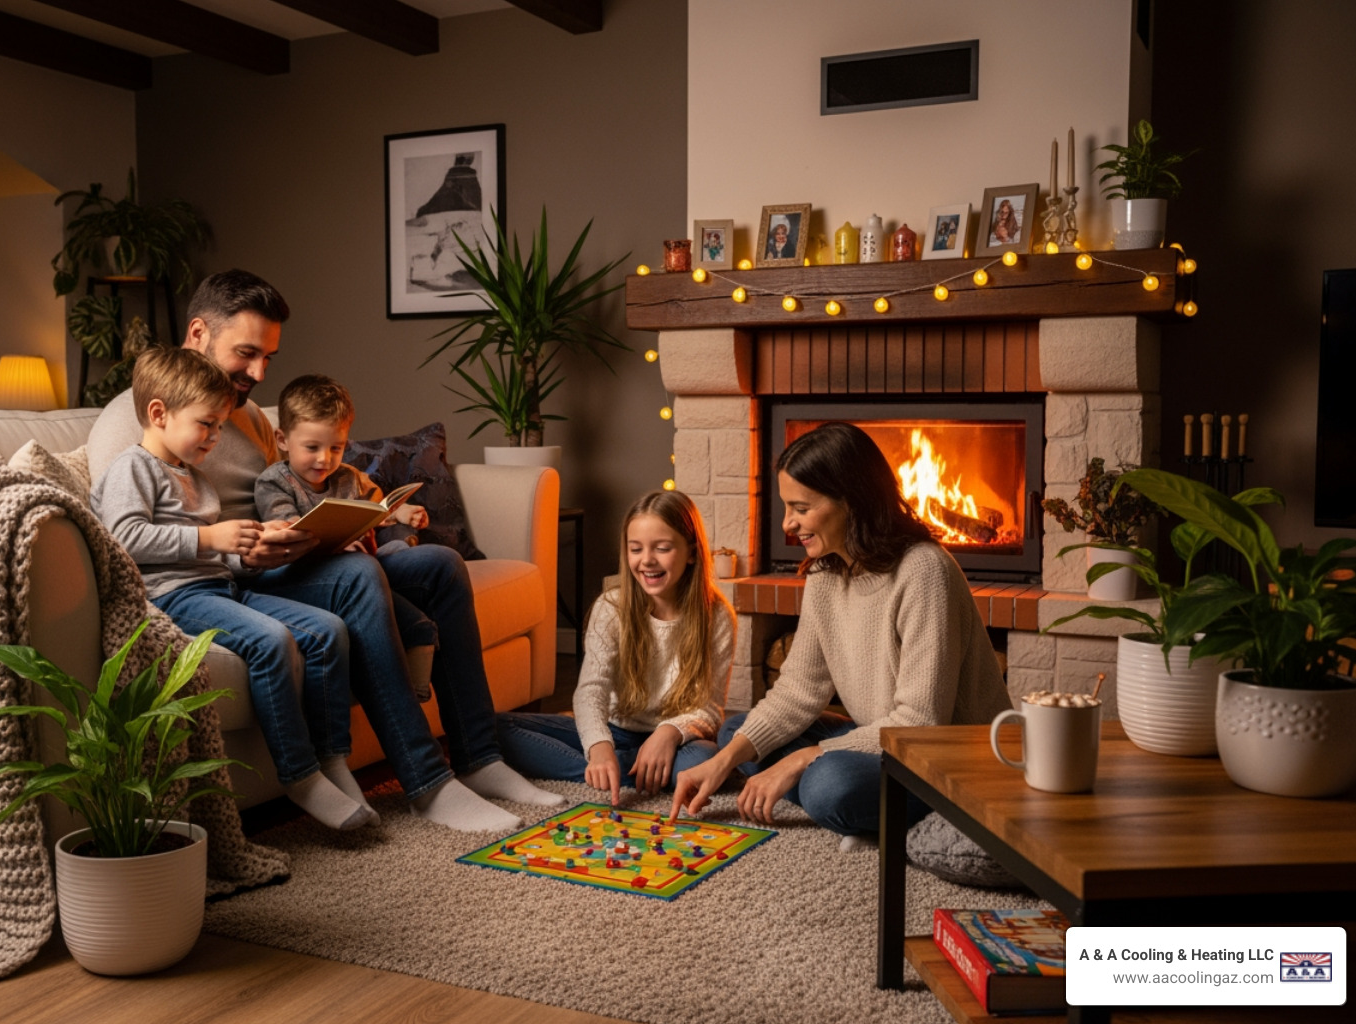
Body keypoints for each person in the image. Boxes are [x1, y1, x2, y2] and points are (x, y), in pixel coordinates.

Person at [90, 269, 561, 832]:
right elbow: (124, 540)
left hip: (288, 556)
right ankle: (428, 782)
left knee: (440, 565)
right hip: (245, 574)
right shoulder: (130, 421)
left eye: (268, 357)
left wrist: (338, 525)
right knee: (359, 576)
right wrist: (246, 552)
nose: (259, 373)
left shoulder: (247, 413)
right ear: (198, 333)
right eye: (247, 353)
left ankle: (480, 756)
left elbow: (289, 481)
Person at [669, 422, 1009, 850]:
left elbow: (920, 724)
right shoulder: (827, 572)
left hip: (946, 760)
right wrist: (723, 762)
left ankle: (883, 813)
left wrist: (806, 758)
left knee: (828, 785)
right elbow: (797, 691)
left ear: (852, 501)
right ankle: (855, 807)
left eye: (801, 508)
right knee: (739, 733)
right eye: (786, 507)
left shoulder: (924, 571)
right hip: (883, 739)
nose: (789, 524)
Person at [90, 347, 374, 831]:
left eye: (221, 425)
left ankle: (332, 760)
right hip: (173, 597)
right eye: (207, 424)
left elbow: (212, 552)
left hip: (218, 587)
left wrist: (249, 543)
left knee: (328, 631)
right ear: (158, 413)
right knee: (271, 641)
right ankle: (300, 776)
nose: (216, 437)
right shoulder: (132, 468)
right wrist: (209, 537)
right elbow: (123, 540)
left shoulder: (196, 478)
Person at [496, 490, 737, 805]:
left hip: (678, 742)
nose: (646, 560)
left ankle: (628, 768)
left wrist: (667, 734)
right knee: (494, 727)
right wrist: (598, 746)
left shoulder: (717, 615)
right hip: (616, 729)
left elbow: (709, 708)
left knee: (702, 761)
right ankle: (627, 768)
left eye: (662, 548)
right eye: (636, 549)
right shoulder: (611, 606)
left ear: (692, 552)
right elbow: (590, 691)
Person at [254, 373, 435, 700]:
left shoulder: (348, 478)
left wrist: (400, 512)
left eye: (336, 448)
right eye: (312, 447)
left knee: (422, 619)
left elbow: (377, 506)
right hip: (307, 575)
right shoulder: (275, 481)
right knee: (406, 612)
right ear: (282, 439)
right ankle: (402, 696)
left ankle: (416, 693)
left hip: (361, 567)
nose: (324, 459)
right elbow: (286, 527)